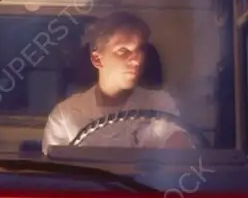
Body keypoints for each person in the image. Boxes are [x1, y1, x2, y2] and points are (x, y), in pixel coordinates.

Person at [42, 11, 192, 152]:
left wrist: (178, 147)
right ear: (97, 59)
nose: (137, 60)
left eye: (139, 50)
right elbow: (56, 173)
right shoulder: (65, 115)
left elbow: (178, 146)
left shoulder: (158, 104)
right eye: (123, 51)